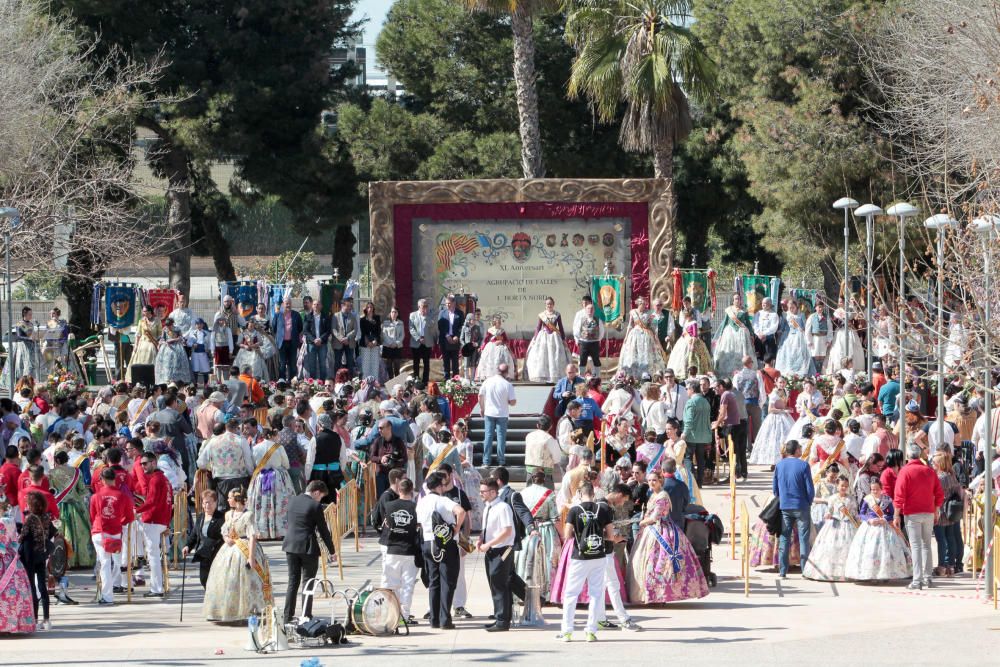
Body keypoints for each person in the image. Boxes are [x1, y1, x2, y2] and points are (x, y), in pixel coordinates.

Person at [626, 468, 709, 605]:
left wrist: (641, 522)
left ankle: (659, 596)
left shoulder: (663, 496)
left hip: (661, 530)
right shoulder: (653, 494)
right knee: (647, 563)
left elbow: (655, 517)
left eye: (654, 480)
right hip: (651, 530)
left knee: (659, 564)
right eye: (650, 480)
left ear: (660, 481)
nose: (651, 483)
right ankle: (649, 594)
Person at [557, 481, 616, 643]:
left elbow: (567, 535)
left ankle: (567, 631)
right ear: (594, 494)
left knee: (570, 594)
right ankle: (591, 632)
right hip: (599, 556)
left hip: (580, 556)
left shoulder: (575, 510)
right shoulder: (603, 509)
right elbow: (610, 536)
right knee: (596, 594)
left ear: (579, 494)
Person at [204, 488, 271, 622]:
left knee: (249, 581)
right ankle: (226, 611)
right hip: (229, 549)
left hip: (245, 548)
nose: (228, 500)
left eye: (230, 497)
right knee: (226, 580)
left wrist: (251, 557)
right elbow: (224, 530)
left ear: (237, 499)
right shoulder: (228, 514)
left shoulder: (248, 515)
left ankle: (251, 610)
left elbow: (252, 536)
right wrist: (226, 538)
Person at [417, 470, 467, 629]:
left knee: (433, 581)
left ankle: (434, 618)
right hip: (445, 543)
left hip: (427, 542)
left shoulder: (422, 502)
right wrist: (457, 528)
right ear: (439, 486)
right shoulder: (443, 500)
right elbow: (461, 511)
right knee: (448, 581)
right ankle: (445, 619)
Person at [281, 481, 337, 623]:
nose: (320, 500)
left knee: (292, 581)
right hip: (307, 547)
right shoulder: (315, 505)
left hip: (290, 545)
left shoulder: (292, 500)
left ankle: (287, 616)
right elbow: (323, 530)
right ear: (316, 492)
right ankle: (306, 614)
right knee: (308, 583)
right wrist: (332, 551)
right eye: (321, 497)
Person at [893, 444, 944, 590]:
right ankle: (928, 578)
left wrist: (896, 515)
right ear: (920, 455)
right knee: (926, 545)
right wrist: (936, 510)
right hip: (928, 511)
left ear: (908, 456)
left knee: (915, 546)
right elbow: (939, 493)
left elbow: (899, 495)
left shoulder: (905, 471)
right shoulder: (929, 471)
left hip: (912, 513)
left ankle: (917, 579)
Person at [844, 478, 912, 581]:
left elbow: (892, 514)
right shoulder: (867, 499)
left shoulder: (887, 499)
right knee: (869, 550)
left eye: (876, 489)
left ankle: (886, 573)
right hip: (870, 527)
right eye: (872, 489)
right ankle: (870, 573)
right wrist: (869, 520)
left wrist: (885, 519)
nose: (874, 491)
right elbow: (861, 514)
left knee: (886, 550)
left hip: (884, 528)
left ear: (881, 489)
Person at [90, 467, 136, 605]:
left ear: (102, 480)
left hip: (100, 532)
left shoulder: (95, 496)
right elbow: (129, 517)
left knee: (104, 563)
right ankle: (117, 585)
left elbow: (92, 516)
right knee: (115, 561)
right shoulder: (123, 496)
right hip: (116, 532)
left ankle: (107, 595)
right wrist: (118, 521)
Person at [515, 470, 561, 601]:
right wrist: (563, 535)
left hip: (527, 530)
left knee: (526, 560)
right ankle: (546, 594)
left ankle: (523, 593)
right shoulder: (549, 493)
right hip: (545, 531)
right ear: (544, 479)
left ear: (531, 478)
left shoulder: (523, 493)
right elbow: (555, 518)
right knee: (546, 560)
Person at [477, 478, 516, 632]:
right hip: (491, 550)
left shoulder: (503, 507)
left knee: (500, 585)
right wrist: (481, 539)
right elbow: (486, 528)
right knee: (494, 584)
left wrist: (489, 544)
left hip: (502, 550)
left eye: (483, 491)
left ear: (493, 492)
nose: (481, 494)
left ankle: (503, 620)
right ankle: (499, 615)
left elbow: (507, 531)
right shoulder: (488, 507)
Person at [801, 475, 857, 581]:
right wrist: (828, 515)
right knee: (830, 548)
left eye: (846, 486)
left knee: (847, 549)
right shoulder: (832, 498)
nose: (844, 488)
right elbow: (829, 511)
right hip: (834, 525)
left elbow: (854, 513)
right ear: (837, 485)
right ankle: (829, 572)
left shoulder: (851, 499)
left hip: (847, 526)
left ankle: (846, 572)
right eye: (841, 486)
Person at [773, 440, 815, 578]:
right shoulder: (803, 465)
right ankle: (804, 570)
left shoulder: (779, 465)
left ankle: (783, 570)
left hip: (785, 505)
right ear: (796, 450)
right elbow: (810, 489)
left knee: (784, 538)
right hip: (801, 505)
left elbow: (775, 489)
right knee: (804, 539)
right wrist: (809, 501)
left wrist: (782, 498)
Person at [380, 478, 420, 623]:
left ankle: (392, 614)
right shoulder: (416, 507)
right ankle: (405, 615)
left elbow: (386, 524)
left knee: (391, 584)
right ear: (411, 490)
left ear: (399, 490)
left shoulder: (389, 505)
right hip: (409, 549)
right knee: (408, 585)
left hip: (392, 548)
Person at [135, 452, 172, 598]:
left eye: (145, 463)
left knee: (153, 556)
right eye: (141, 464)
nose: (143, 466)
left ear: (153, 463)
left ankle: (156, 588)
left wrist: (136, 511)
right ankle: (157, 585)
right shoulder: (164, 479)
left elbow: (151, 502)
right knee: (154, 555)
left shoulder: (156, 480)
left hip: (153, 520)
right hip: (161, 520)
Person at [197, 421, 255, 511]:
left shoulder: (213, 441)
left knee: (223, 511)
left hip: (221, 482)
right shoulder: (241, 440)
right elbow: (248, 462)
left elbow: (201, 463)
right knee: (240, 509)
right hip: (240, 480)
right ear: (236, 429)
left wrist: (211, 468)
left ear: (225, 428)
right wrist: (251, 475)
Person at [18, 491, 55, 629]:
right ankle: (46, 620)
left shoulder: (30, 519)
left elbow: (22, 536)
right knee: (42, 587)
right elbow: (52, 531)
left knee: (32, 588)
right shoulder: (46, 517)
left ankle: (34, 618)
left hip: (30, 557)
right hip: (42, 555)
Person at [248, 430, 294, 539]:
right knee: (279, 503)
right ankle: (279, 531)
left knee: (262, 503)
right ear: (272, 435)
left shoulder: (255, 448)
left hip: (261, 479)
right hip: (277, 478)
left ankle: (262, 532)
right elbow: (286, 464)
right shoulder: (279, 447)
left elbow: (253, 464)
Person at [0, 498, 35, 633]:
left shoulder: (2, 523)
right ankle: (15, 624)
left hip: (3, 557)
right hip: (11, 558)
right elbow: (14, 542)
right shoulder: (10, 521)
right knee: (17, 591)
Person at [183, 489, 226, 588]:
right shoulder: (200, 517)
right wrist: (187, 546)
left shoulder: (222, 518)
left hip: (217, 554)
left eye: (210, 503)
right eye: (205, 503)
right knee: (204, 580)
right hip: (204, 554)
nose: (207, 505)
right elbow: (194, 535)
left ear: (216, 502)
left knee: (216, 581)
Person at [749, 377, 795, 468]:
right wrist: (783, 410)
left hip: (784, 417)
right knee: (774, 439)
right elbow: (770, 410)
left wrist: (788, 409)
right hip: (775, 418)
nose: (782, 384)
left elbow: (784, 405)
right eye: (780, 382)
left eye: (783, 382)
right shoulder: (774, 394)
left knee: (785, 438)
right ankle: (774, 462)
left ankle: (785, 459)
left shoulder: (786, 391)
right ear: (776, 383)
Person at [525, 297, 573, 383]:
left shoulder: (557, 314)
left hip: (554, 337)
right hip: (544, 337)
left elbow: (560, 327)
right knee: (543, 356)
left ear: (553, 304)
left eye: (550, 304)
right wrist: (535, 339)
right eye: (547, 304)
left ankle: (554, 376)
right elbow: (538, 327)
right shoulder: (542, 315)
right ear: (545, 305)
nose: (549, 305)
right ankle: (544, 376)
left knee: (554, 356)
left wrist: (563, 339)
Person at [931, 451, 964, 576]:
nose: (932, 465)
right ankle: (951, 565)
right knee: (950, 538)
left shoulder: (940, 478)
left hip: (941, 511)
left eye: (934, 463)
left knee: (941, 540)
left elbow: (936, 495)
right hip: (951, 511)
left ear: (939, 464)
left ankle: (941, 566)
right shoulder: (952, 475)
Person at [619, 296, 667, 379]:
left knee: (646, 357)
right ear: (639, 304)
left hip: (646, 337)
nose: (645, 306)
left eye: (645, 304)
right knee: (633, 356)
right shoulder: (633, 312)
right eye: (643, 304)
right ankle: (632, 375)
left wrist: (655, 338)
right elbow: (630, 325)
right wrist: (626, 337)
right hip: (634, 336)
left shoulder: (649, 313)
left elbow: (653, 327)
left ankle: (647, 375)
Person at [479, 363, 516, 467]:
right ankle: (501, 461)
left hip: (489, 412)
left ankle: (486, 461)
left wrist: (482, 408)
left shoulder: (488, 381)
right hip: (502, 414)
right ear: (506, 372)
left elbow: (480, 396)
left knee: (488, 437)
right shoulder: (507, 384)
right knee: (501, 438)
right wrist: (508, 402)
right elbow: (513, 402)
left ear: (497, 370)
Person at [714, 294, 756, 379]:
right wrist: (721, 334)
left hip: (741, 334)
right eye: (735, 299)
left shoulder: (743, 311)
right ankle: (727, 374)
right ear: (733, 301)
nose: (737, 300)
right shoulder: (729, 310)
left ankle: (742, 371)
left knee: (742, 352)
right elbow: (725, 322)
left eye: (739, 299)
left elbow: (748, 324)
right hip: (729, 334)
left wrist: (751, 334)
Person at [305, 413, 343, 503]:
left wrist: (307, 477)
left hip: (318, 474)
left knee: (318, 500)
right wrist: (339, 469)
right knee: (333, 500)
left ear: (319, 425)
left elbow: (309, 461)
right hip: (334, 473)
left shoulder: (315, 439)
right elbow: (343, 458)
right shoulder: (338, 438)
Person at [682, 380, 712, 487]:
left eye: (687, 389)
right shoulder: (705, 402)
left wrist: (684, 434)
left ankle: (691, 482)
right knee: (700, 459)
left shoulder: (691, 402)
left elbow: (689, 421)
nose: (686, 391)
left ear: (692, 389)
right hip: (703, 436)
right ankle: (699, 482)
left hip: (692, 436)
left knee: (688, 458)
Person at [775, 300, 815, 376]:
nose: (791, 309)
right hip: (788, 336)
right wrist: (780, 331)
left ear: (796, 307)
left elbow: (805, 326)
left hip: (799, 336)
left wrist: (803, 330)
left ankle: (800, 369)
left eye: (793, 307)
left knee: (799, 352)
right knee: (788, 352)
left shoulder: (801, 315)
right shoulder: (786, 315)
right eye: (790, 308)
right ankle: (789, 369)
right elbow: (783, 326)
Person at [524, 415, 562, 488]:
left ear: (537, 425)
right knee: (547, 497)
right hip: (545, 473)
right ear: (551, 426)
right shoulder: (550, 439)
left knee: (529, 495)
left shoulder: (529, 436)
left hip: (530, 472)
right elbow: (557, 458)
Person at [271, 297, 303, 381]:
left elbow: (300, 328)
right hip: (282, 343)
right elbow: (273, 328)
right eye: (286, 303)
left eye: (289, 303)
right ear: (283, 304)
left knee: (292, 363)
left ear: (291, 304)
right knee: (282, 363)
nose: (288, 305)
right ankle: (282, 381)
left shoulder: (296, 315)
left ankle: (292, 381)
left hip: (293, 342)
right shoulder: (278, 314)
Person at [477, 315, 517, 382]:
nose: (500, 323)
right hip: (492, 347)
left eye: (500, 322)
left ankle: (504, 374)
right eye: (498, 322)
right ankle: (489, 375)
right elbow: (486, 340)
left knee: (504, 358)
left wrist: (502, 341)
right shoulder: (490, 330)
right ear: (495, 322)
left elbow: (506, 340)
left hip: (501, 346)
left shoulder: (502, 331)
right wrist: (482, 347)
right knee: (489, 359)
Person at [127, 305, 161, 382]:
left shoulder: (157, 321)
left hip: (152, 345)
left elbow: (159, 335)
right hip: (142, 345)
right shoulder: (141, 321)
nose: (143, 313)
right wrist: (136, 346)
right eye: (143, 311)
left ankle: (151, 378)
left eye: (145, 311)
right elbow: (138, 335)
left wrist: (158, 343)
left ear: (150, 311)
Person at [572, 297, 605, 376]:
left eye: (591, 309)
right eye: (588, 309)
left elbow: (602, 332)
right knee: (582, 360)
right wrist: (581, 338)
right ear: (586, 310)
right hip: (584, 343)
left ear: (593, 310)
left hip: (594, 344)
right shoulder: (581, 319)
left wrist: (597, 339)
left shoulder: (598, 320)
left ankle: (597, 379)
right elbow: (576, 331)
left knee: (595, 361)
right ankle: (581, 379)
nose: (590, 311)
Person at [154, 318, 192, 385]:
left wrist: (174, 340)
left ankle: (176, 380)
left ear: (172, 324)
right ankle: (167, 379)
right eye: (167, 325)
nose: (168, 327)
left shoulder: (177, 329)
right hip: (166, 348)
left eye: (169, 325)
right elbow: (162, 338)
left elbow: (181, 338)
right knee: (167, 364)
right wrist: (162, 343)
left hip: (176, 348)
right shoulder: (165, 329)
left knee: (176, 363)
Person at [408, 299, 438, 386]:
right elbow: (411, 328)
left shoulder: (430, 315)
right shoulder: (412, 315)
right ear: (419, 307)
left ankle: (425, 381)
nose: (425, 308)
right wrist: (418, 338)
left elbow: (432, 325)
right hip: (416, 342)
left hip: (427, 342)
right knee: (416, 363)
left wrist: (426, 317)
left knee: (426, 363)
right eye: (423, 306)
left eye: (426, 306)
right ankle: (416, 380)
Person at [302, 299, 331, 381]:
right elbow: (305, 331)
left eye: (318, 304)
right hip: (311, 344)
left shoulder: (326, 317)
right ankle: (313, 384)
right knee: (312, 365)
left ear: (321, 306)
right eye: (314, 304)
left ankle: (323, 382)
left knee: (323, 364)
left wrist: (321, 339)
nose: (316, 306)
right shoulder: (308, 317)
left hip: (323, 344)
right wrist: (314, 340)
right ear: (312, 306)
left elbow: (328, 331)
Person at [437, 295, 465, 379]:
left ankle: (455, 381)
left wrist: (457, 335)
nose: (447, 305)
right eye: (446, 304)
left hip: (455, 341)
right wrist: (447, 335)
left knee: (455, 362)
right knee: (446, 362)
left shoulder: (459, 313)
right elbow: (440, 326)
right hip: (444, 340)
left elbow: (462, 326)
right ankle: (447, 381)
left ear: (454, 303)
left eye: (449, 303)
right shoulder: (442, 313)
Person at [330, 298, 359, 378]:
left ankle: (350, 380)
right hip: (338, 343)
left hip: (350, 343)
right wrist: (341, 338)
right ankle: (337, 380)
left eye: (350, 306)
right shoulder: (335, 316)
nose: (350, 307)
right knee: (337, 363)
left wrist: (347, 338)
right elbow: (333, 329)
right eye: (348, 305)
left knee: (350, 363)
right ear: (342, 305)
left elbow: (355, 329)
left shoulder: (353, 316)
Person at [358, 301, 387, 383]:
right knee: (366, 365)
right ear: (365, 309)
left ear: (373, 308)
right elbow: (362, 332)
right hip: (365, 344)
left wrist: (375, 341)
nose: (370, 309)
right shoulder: (362, 319)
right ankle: (365, 383)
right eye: (368, 307)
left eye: (371, 307)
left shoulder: (377, 318)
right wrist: (368, 342)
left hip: (375, 344)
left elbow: (378, 331)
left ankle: (375, 383)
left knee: (375, 365)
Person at [804, 301, 831, 370]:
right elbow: (807, 330)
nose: (820, 309)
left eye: (822, 307)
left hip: (824, 338)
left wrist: (829, 339)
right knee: (815, 354)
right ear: (815, 308)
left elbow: (830, 329)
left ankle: (821, 370)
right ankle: (816, 371)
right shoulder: (812, 316)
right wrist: (809, 341)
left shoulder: (826, 317)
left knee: (822, 355)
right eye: (819, 307)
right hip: (815, 338)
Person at [381, 306, 406, 379]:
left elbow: (402, 335)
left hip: (397, 347)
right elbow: (384, 334)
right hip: (388, 347)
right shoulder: (385, 323)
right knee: (388, 366)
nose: (394, 313)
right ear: (390, 313)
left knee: (397, 366)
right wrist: (390, 343)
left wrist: (396, 343)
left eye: (395, 312)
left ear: (397, 313)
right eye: (392, 312)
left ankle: (397, 383)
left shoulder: (401, 323)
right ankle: (390, 382)